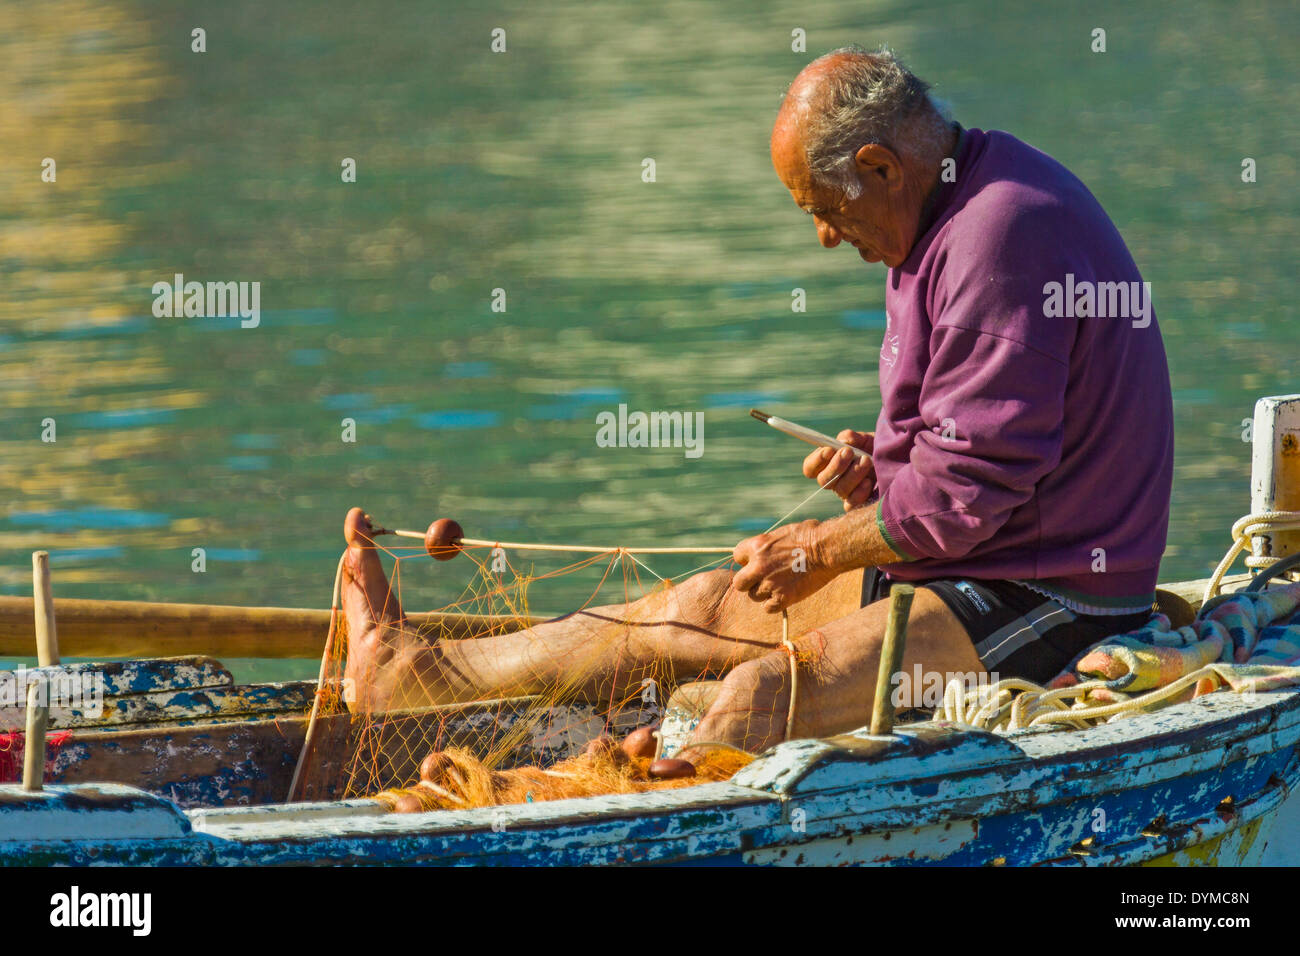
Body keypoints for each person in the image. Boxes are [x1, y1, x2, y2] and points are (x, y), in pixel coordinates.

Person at [341, 45, 1173, 759]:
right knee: (685, 613)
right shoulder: (937, 213)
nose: (823, 235)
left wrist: (818, 548)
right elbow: (959, 448)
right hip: (965, 558)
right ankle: (412, 674)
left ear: (883, 166)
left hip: (1048, 593)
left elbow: (965, 494)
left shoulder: (1000, 237)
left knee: (753, 700)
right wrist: (879, 476)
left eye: (824, 208)